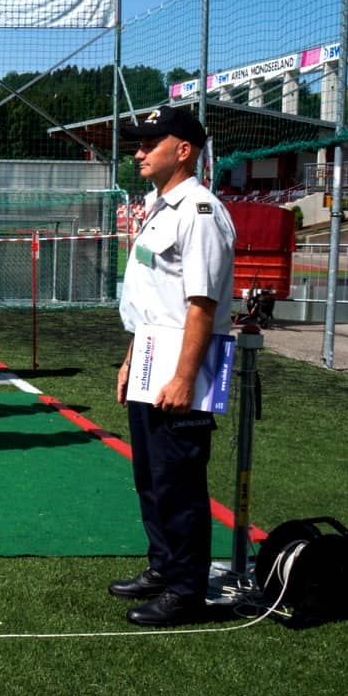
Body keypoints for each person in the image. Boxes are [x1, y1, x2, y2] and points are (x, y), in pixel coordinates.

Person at [112, 104, 236, 627]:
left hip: (180, 366)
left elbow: (201, 304)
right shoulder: (160, 207)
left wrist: (184, 378)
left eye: (150, 143)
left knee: (179, 480)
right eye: (139, 144)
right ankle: (163, 566)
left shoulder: (199, 212)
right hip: (149, 357)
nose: (139, 152)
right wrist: (129, 360)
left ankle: (186, 591)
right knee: (151, 476)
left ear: (183, 151)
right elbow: (150, 301)